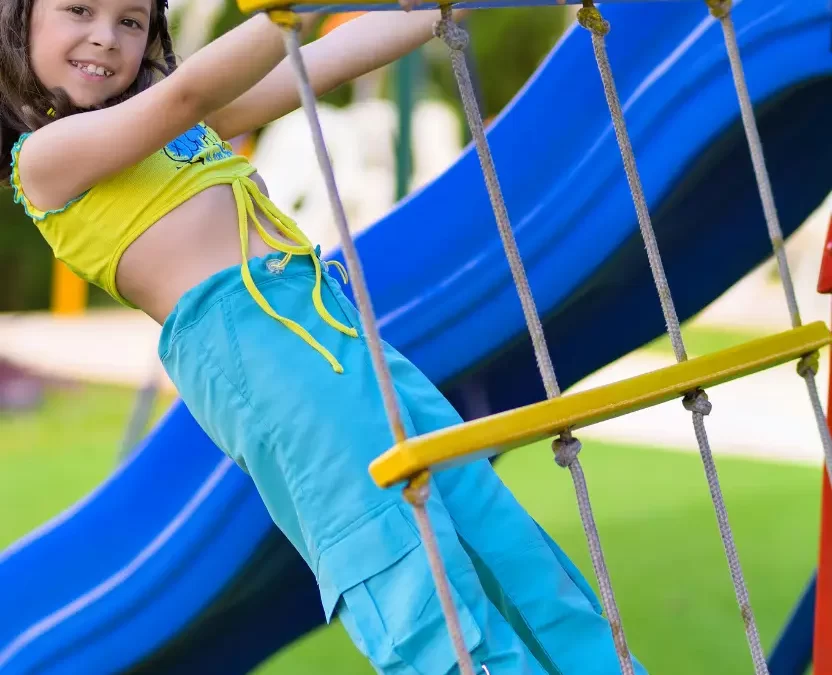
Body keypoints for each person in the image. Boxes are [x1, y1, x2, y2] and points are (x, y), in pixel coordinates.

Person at [2, 1, 648, 672]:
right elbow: (188, 91)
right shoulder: (44, 161)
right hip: (258, 355)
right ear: (16, 25)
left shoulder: (181, 127)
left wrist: (438, 11)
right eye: (79, 9)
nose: (105, 37)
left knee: (495, 532)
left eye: (132, 21)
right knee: (399, 565)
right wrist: (293, 9)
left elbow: (320, 64)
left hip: (334, 326)